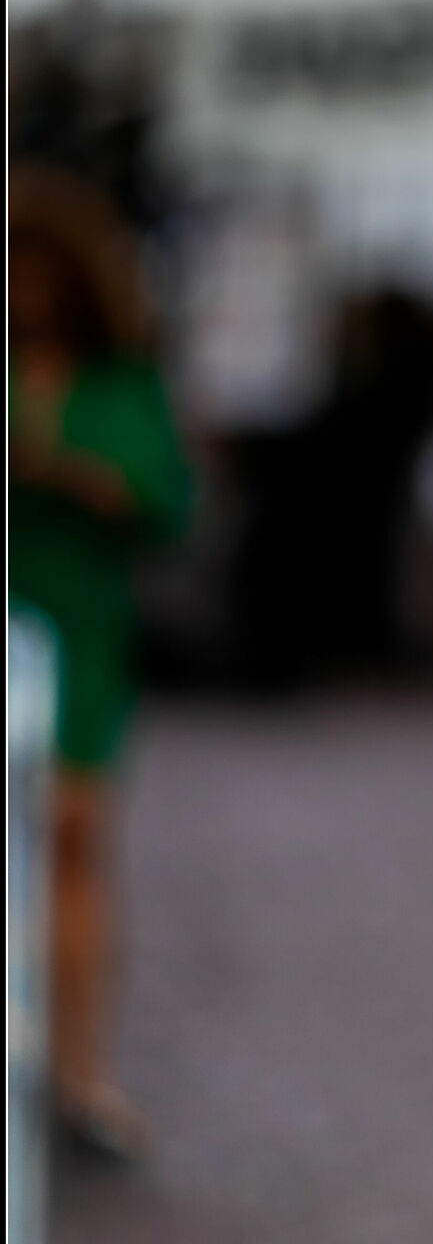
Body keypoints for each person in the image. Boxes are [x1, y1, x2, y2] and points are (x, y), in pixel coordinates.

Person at [8, 165, 192, 1160]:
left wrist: (75, 477)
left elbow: (166, 502)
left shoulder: (119, 385)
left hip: (77, 628)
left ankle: (77, 1068)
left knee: (76, 843)